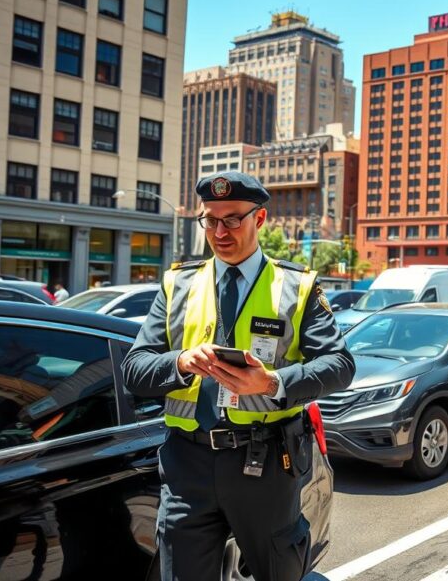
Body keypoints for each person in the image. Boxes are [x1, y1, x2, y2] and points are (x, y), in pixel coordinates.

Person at [121, 171, 355, 581]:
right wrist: (181, 362)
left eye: (232, 220)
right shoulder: (178, 284)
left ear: (260, 219)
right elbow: (135, 368)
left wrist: (272, 384)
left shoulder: (296, 286)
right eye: (210, 220)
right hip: (187, 464)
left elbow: (339, 365)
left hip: (264, 463)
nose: (219, 231)